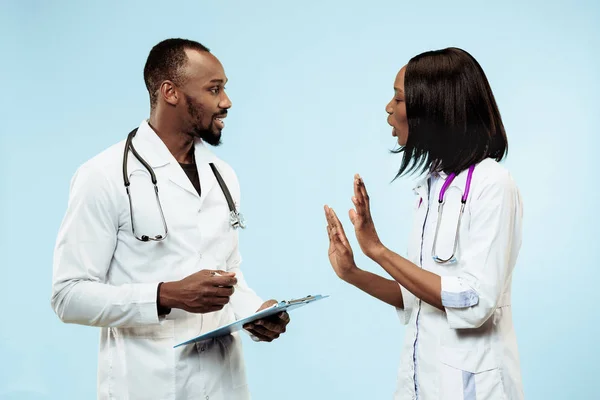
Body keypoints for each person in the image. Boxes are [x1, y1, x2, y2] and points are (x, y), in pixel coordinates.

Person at [51, 38, 290, 400]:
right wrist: (164, 296)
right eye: (214, 89)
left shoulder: (222, 175)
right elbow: (68, 296)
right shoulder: (103, 175)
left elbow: (228, 276)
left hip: (223, 383)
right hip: (148, 382)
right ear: (170, 92)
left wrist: (255, 311)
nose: (225, 102)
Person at [324, 47, 524, 400]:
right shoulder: (432, 187)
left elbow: (474, 301)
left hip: (473, 387)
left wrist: (378, 251)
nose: (388, 108)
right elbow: (416, 296)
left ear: (434, 109)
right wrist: (351, 272)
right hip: (420, 383)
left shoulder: (493, 185)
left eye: (398, 98)